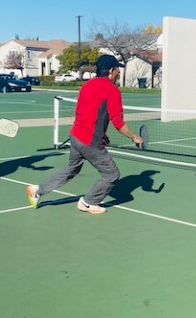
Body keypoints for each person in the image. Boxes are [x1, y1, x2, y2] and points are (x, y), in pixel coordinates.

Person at [26, 55, 144, 214]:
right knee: (112, 174)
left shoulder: (87, 85)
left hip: (76, 136)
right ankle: (88, 202)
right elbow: (118, 122)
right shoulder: (112, 90)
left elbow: (83, 112)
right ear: (111, 70)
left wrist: (101, 135)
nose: (118, 73)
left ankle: (38, 190)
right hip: (89, 141)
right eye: (117, 69)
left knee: (72, 169)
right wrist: (134, 137)